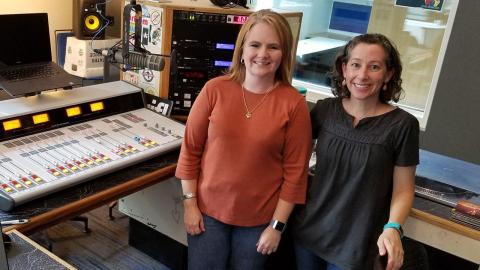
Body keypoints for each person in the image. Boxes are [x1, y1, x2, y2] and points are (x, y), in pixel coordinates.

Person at [175, 9, 312, 270]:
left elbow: (295, 175)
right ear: (242, 49)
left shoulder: (294, 104)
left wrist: (277, 227)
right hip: (207, 213)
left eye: (273, 47)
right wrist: (190, 204)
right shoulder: (214, 90)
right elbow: (191, 150)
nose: (263, 54)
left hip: (260, 220)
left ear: (284, 53)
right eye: (255, 45)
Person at [291, 33, 419, 270]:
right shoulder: (324, 110)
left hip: (356, 245)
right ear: (344, 68)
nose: (362, 75)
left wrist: (393, 228)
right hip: (308, 232)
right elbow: (294, 164)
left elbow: (404, 189)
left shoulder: (403, 125)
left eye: (374, 67)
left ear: (388, 74)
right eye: (355, 65)